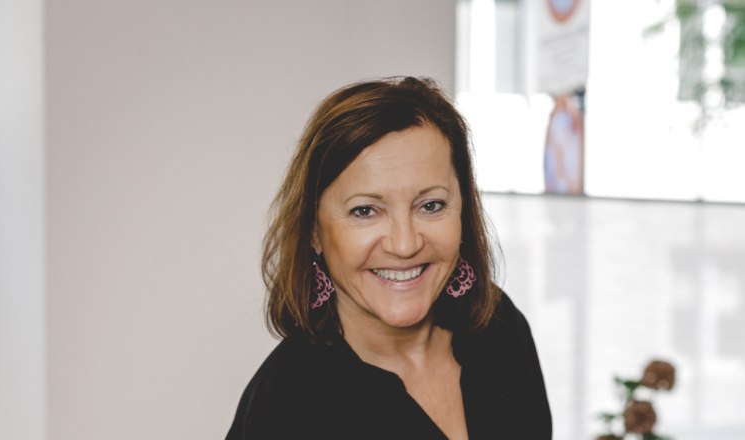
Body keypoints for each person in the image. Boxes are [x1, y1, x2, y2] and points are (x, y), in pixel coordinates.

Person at [225, 77, 551, 439]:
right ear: (313, 231)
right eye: (365, 211)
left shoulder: (500, 327)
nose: (404, 245)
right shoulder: (285, 408)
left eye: (431, 205)